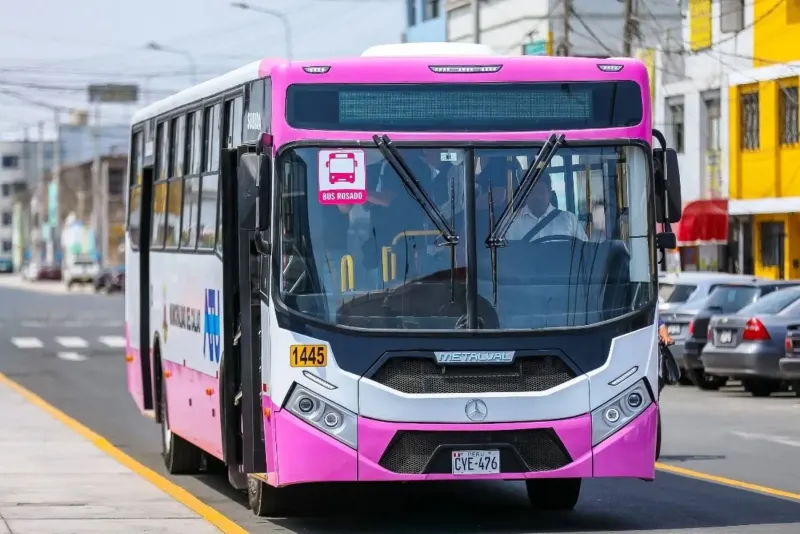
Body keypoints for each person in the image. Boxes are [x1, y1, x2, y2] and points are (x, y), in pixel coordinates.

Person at [506, 170, 589, 242]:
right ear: (525, 194)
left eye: (541, 191)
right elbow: (506, 255)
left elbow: (585, 252)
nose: (537, 196)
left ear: (550, 192)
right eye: (532, 191)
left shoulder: (569, 220)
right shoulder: (511, 222)